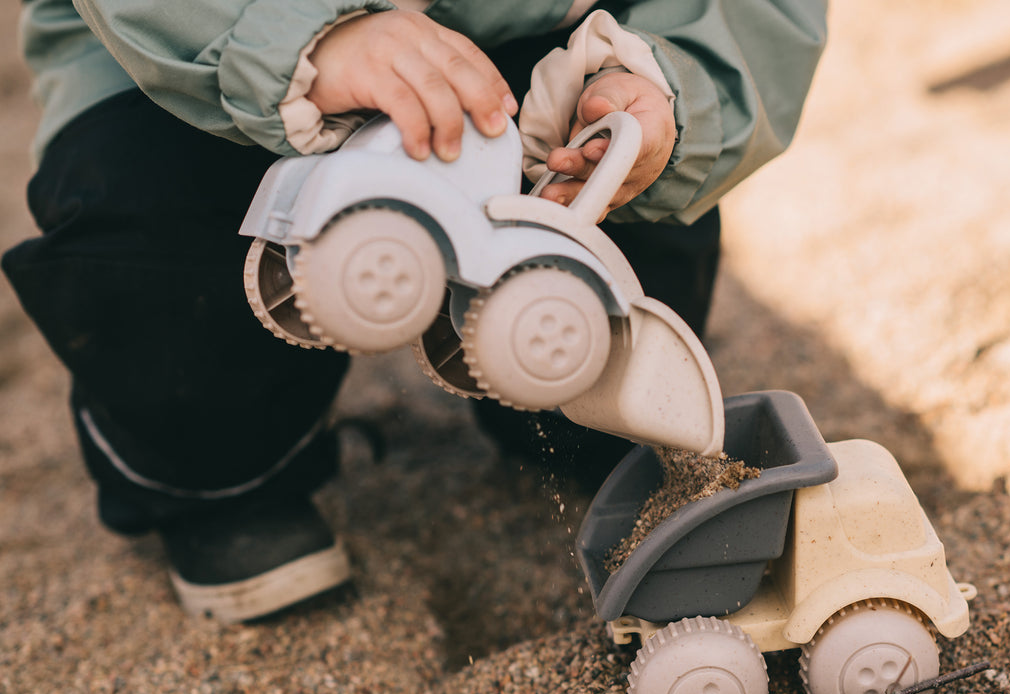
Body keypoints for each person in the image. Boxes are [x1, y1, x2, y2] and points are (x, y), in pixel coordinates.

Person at [2, 0, 827, 623]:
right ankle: (226, 483)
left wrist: (668, 80)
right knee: (167, 280)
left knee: (610, 343)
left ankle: (549, 404)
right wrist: (287, 36)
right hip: (185, 59)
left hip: (558, 52)